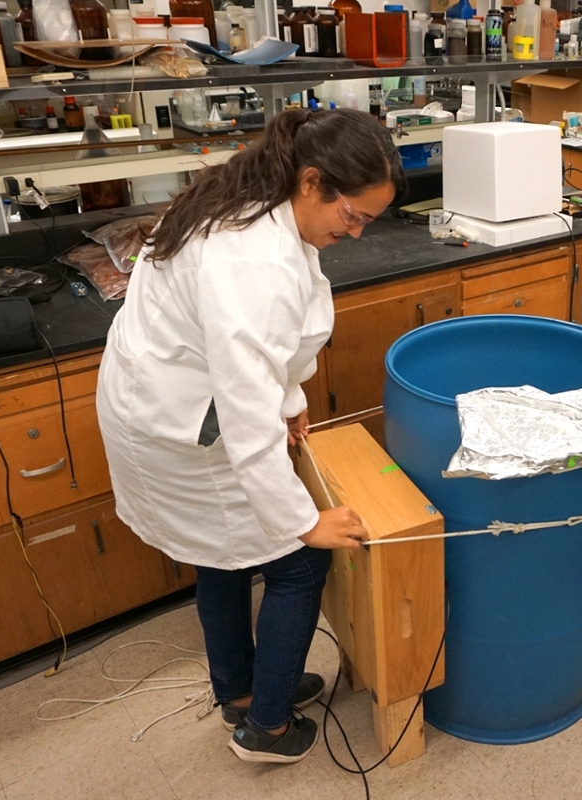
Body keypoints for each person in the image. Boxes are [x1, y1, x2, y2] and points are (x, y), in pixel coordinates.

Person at [96, 108, 405, 764]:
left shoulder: (255, 189)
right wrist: (305, 523)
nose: (353, 233)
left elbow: (262, 350)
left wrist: (287, 397)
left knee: (221, 553)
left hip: (163, 393)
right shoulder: (252, 263)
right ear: (313, 181)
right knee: (298, 560)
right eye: (352, 215)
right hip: (183, 420)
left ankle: (242, 690)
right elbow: (245, 415)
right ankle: (266, 729)